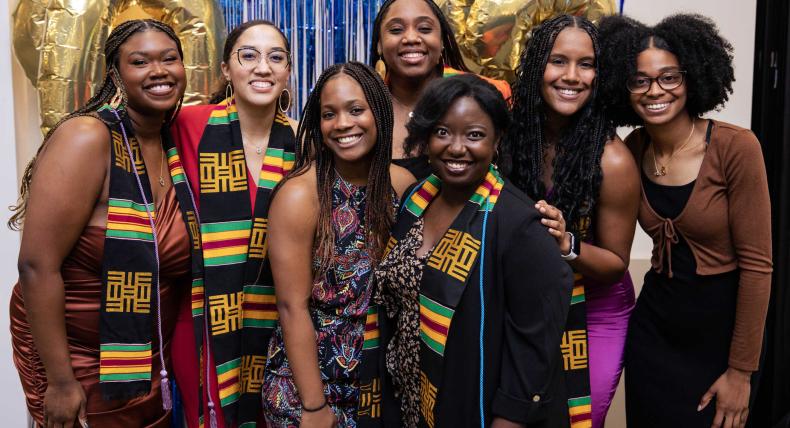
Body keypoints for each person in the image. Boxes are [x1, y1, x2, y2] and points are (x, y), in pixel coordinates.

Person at [10, 19, 192, 427]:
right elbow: (37, 266)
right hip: (75, 358)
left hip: (145, 358)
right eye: (140, 61)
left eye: (170, 59)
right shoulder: (88, 138)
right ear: (115, 74)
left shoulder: (174, 143)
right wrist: (59, 380)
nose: (159, 71)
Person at [598, 14, 772, 428]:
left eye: (669, 77)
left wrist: (741, 372)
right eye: (639, 80)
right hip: (654, 334)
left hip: (719, 341)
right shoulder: (630, 149)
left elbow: (758, 266)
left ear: (692, 78)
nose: (654, 90)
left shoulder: (736, 147)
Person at [374, 74, 573, 427]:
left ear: (497, 142)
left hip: (477, 408)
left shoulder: (519, 224)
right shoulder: (414, 201)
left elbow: (534, 347)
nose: (456, 147)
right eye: (442, 132)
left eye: (475, 135)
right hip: (411, 400)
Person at [502, 15, 640, 428]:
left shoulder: (612, 160)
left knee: (577, 420)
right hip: (529, 305)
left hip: (595, 309)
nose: (572, 76)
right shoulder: (510, 138)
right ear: (536, 66)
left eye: (587, 64)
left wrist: (568, 246)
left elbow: (616, 264)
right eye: (559, 61)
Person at [262, 62, 414, 427]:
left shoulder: (404, 184)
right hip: (312, 387)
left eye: (356, 110)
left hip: (382, 381)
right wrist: (314, 408)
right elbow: (291, 307)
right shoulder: (299, 196)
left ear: (378, 112)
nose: (343, 124)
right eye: (329, 114)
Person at [169, 19, 297, 427]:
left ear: (287, 71)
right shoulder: (187, 126)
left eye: (276, 57)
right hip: (204, 321)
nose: (263, 67)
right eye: (249, 55)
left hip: (280, 326)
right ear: (226, 69)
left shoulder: (304, 140)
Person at [369, 0, 511, 180]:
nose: (411, 38)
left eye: (425, 29)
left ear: (442, 41)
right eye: (396, 30)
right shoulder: (361, 109)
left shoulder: (485, 98)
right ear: (379, 44)